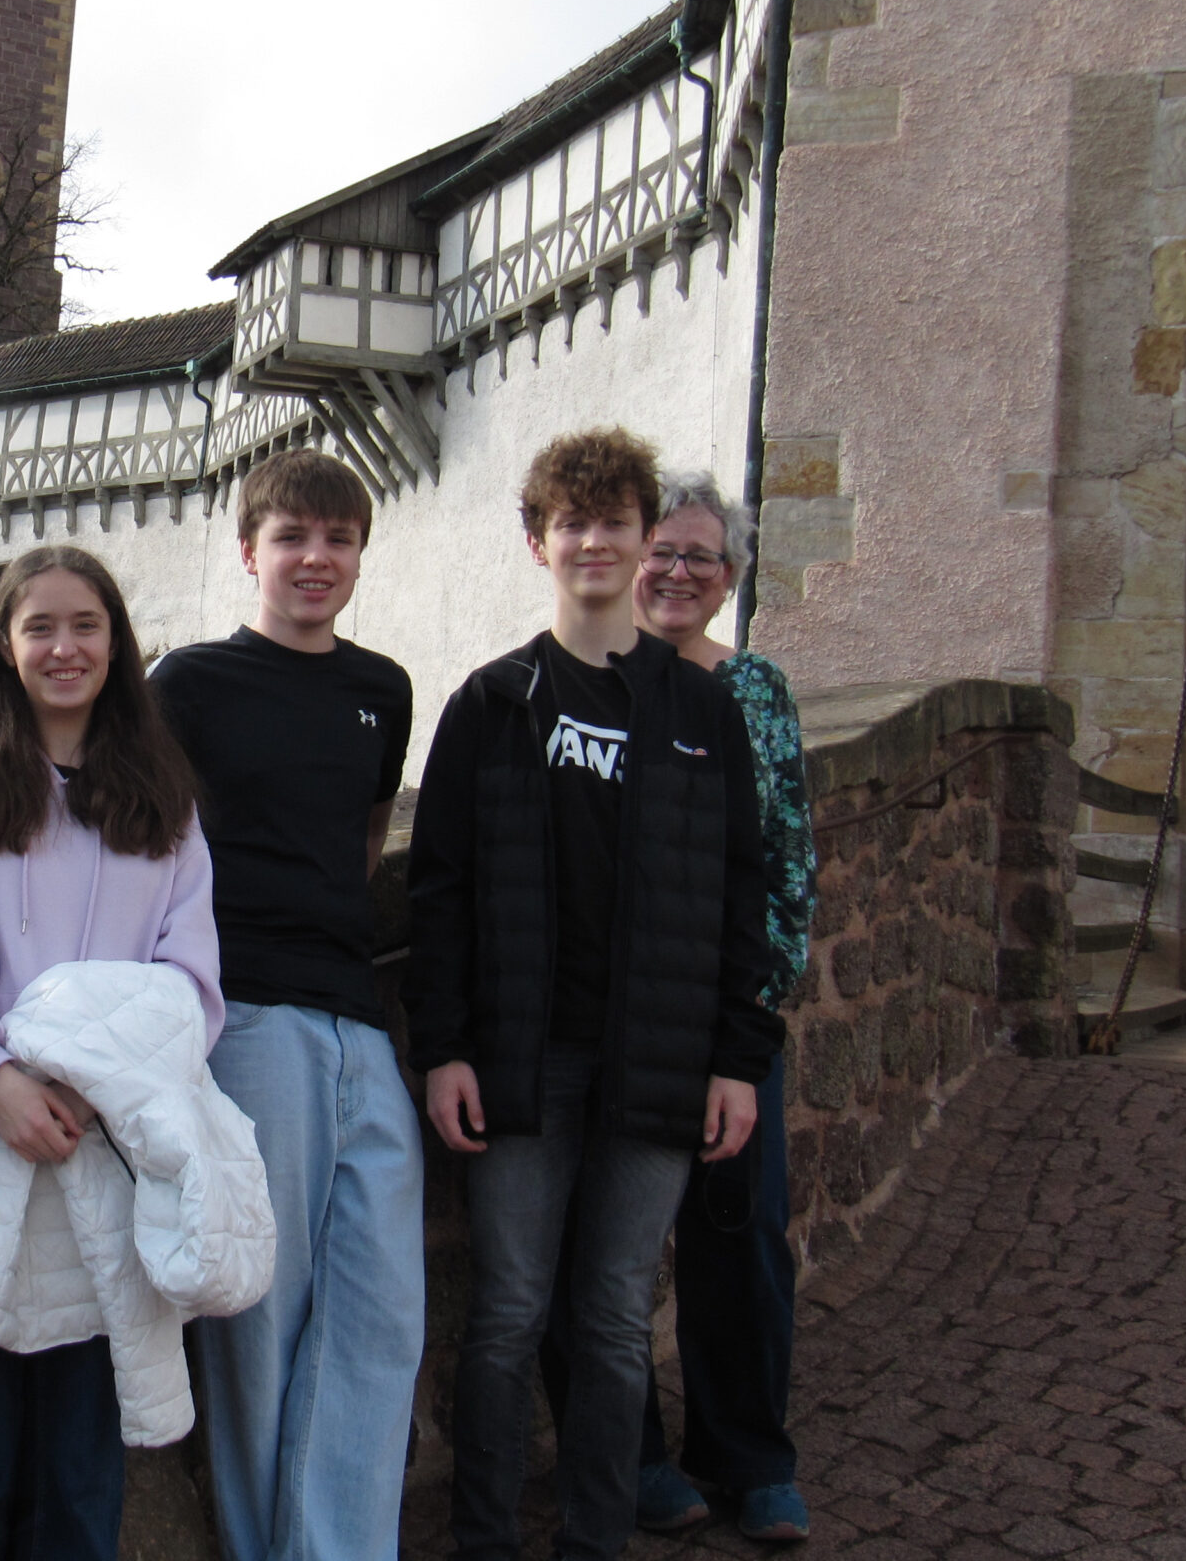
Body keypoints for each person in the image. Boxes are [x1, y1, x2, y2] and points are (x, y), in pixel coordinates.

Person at [404, 429, 784, 1561]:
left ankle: (597, 1541)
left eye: (615, 522)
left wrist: (737, 1058)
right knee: (509, 1313)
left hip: (658, 1060)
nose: (595, 543)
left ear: (641, 536)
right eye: (572, 524)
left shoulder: (701, 713)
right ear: (539, 542)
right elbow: (440, 889)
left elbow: (743, 892)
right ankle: (484, 1541)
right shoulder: (493, 702)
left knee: (616, 1318)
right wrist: (445, 1047)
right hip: (522, 1059)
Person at [0, 543, 223, 1561]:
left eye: (86, 625)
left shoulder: (163, 802)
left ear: (116, 643)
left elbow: (188, 979)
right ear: (5, 645)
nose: (64, 647)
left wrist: (100, 1083)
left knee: (80, 1478)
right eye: (40, 627)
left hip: (106, 1165)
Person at [149, 450, 424, 1561]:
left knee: (381, 1310)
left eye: (338, 539)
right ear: (247, 551)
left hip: (358, 1015)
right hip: (250, 1016)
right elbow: (145, 844)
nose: (317, 559)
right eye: (292, 538)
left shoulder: (383, 691)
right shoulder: (190, 683)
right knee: (260, 1318)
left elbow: (366, 840)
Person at [590, 470, 815, 1543]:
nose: (677, 572)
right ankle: (630, 1454)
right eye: (662, 551)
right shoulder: (581, 680)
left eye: (701, 558)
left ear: (728, 580)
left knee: (741, 1237)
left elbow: (785, 868)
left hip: (723, 1019)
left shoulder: (754, 691)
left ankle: (748, 1456)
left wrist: (751, 1023)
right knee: (608, 1253)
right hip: (610, 1017)